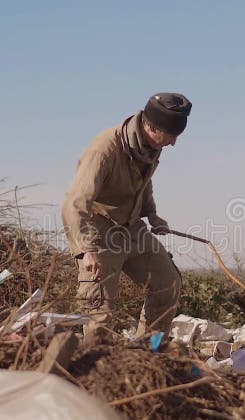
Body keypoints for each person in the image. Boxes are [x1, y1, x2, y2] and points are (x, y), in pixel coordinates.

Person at [62, 93, 191, 343]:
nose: (173, 143)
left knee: (168, 284)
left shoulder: (150, 148)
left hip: (132, 228)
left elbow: (143, 184)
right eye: (171, 137)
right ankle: (96, 370)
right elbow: (74, 202)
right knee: (99, 311)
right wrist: (85, 250)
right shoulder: (104, 149)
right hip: (99, 229)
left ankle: (149, 352)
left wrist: (152, 215)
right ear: (151, 128)